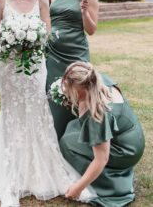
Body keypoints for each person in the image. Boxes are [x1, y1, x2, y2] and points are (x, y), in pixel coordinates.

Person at [0, 0, 96, 206]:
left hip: (36, 68)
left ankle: (40, 167)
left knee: (37, 112)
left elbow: (47, 32)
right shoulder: (1, 0)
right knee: (13, 114)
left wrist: (33, 40)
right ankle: (11, 176)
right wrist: (11, 39)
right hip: (12, 68)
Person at [59, 61, 145, 207]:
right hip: (133, 137)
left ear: (82, 91)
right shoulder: (97, 79)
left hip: (125, 150)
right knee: (72, 127)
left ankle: (110, 185)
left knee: (68, 144)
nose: (66, 91)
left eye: (70, 89)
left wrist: (78, 188)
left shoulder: (98, 114)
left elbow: (101, 159)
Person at [46, 0, 99, 140]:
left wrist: (84, 11)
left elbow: (91, 30)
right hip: (52, 54)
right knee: (52, 96)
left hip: (76, 52)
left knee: (78, 94)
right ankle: (54, 138)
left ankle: (75, 139)